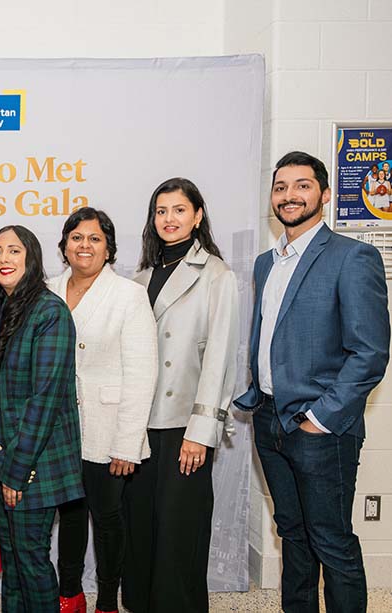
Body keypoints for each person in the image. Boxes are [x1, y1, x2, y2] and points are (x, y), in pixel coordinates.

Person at [234, 151, 390, 613]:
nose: (289, 195)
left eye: (301, 185)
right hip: (268, 419)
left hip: (320, 428)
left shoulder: (352, 257)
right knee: (292, 537)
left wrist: (320, 419)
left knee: (332, 542)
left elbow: (370, 353)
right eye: (280, 187)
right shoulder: (267, 262)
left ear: (323, 194)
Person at [121, 178, 239, 613]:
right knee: (141, 528)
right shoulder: (140, 277)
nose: (169, 219)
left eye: (178, 210)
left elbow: (221, 357)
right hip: (139, 424)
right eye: (161, 211)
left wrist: (201, 431)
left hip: (183, 424)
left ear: (197, 216)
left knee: (178, 530)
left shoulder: (216, 274)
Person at [48, 207, 158, 613]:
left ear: (108, 248)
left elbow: (142, 372)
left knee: (107, 517)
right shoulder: (47, 290)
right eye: (77, 237)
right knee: (70, 515)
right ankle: (69, 594)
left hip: (109, 429)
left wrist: (128, 444)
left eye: (95, 238)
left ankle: (108, 601)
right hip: (59, 430)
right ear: (64, 246)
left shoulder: (129, 295)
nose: (85, 245)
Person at [0, 225, 84, 613]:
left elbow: (45, 399)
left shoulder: (50, 312)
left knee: (31, 559)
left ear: (31, 258)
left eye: (14, 251)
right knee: (12, 557)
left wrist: (16, 471)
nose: (4, 258)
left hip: (33, 459)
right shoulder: (0, 308)